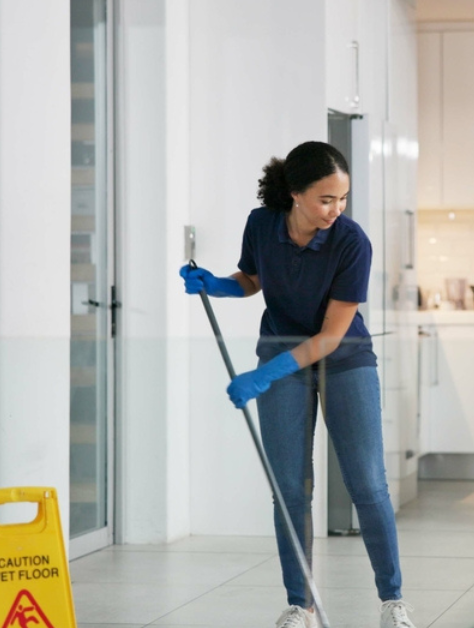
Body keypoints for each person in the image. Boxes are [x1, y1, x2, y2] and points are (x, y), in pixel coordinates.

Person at [179, 141, 416, 628]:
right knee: (290, 488)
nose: (336, 209)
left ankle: (393, 601)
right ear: (295, 195)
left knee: (366, 483)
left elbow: (331, 335)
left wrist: (266, 373)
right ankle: (299, 605)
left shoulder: (352, 242)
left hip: (344, 358)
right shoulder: (262, 223)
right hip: (280, 346)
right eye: (326, 199)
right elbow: (251, 278)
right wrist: (214, 284)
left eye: (343, 198)